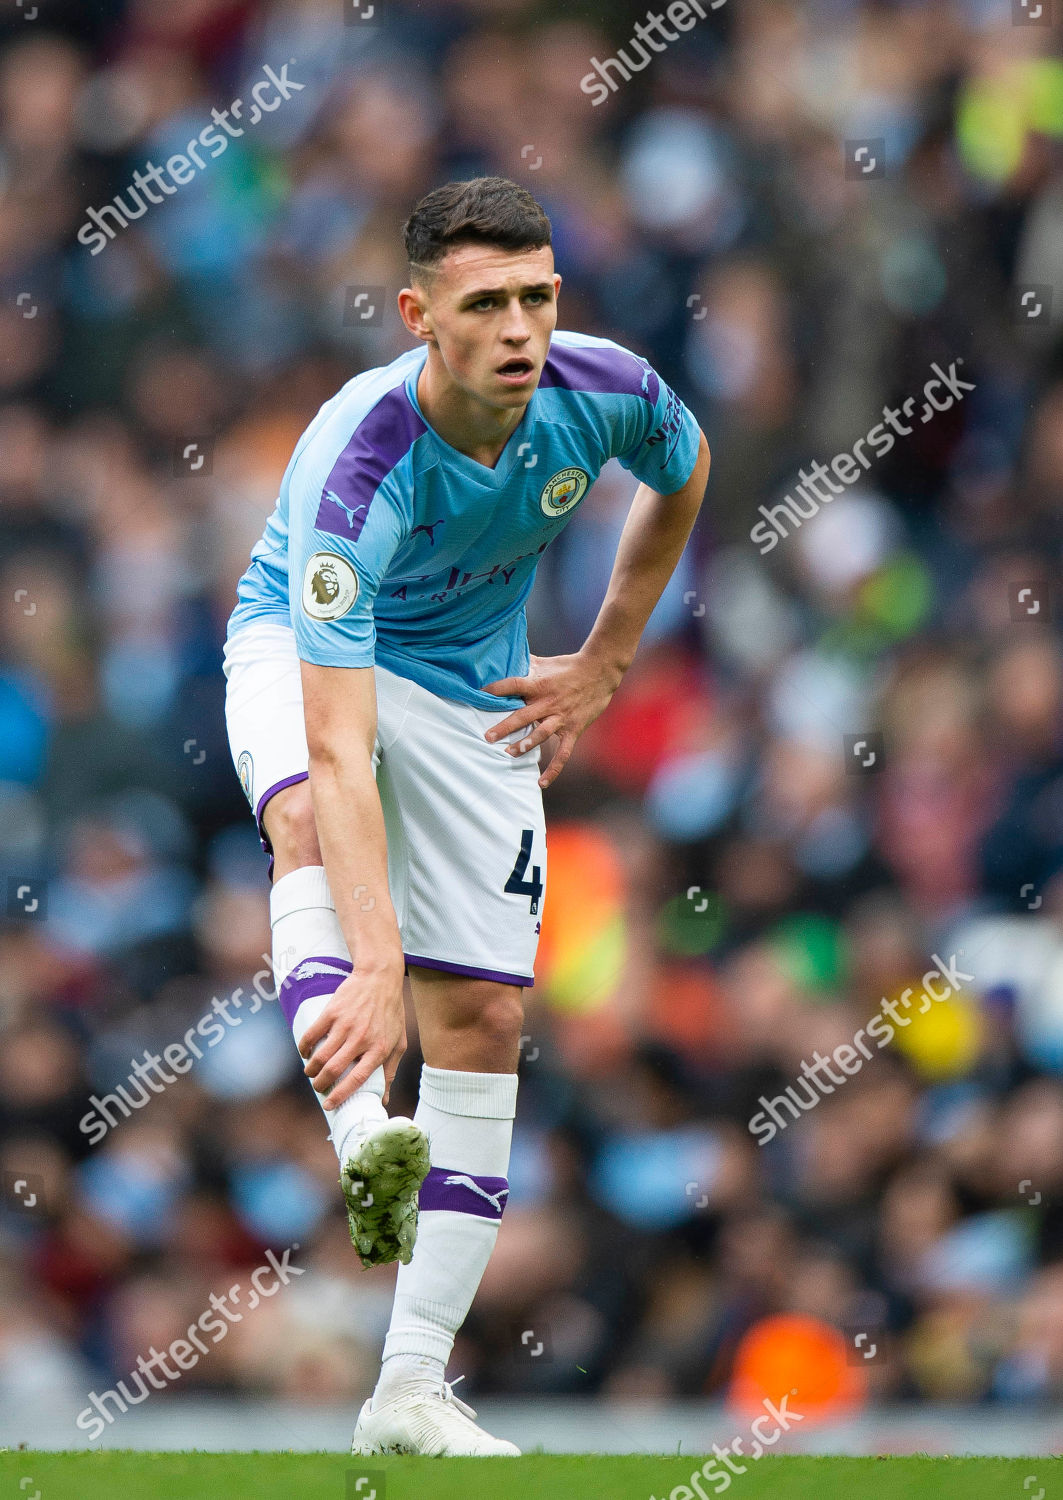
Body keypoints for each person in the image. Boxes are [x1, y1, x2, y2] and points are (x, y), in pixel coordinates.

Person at [222, 175, 710, 1456]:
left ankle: (410, 1391)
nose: (518, 329)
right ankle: (365, 1132)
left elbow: (688, 465)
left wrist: (606, 658)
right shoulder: (355, 463)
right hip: (312, 652)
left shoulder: (604, 392)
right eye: (485, 302)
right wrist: (374, 964)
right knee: (304, 830)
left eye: (537, 297)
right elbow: (336, 748)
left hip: (473, 685)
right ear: (417, 315)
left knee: (486, 1018)